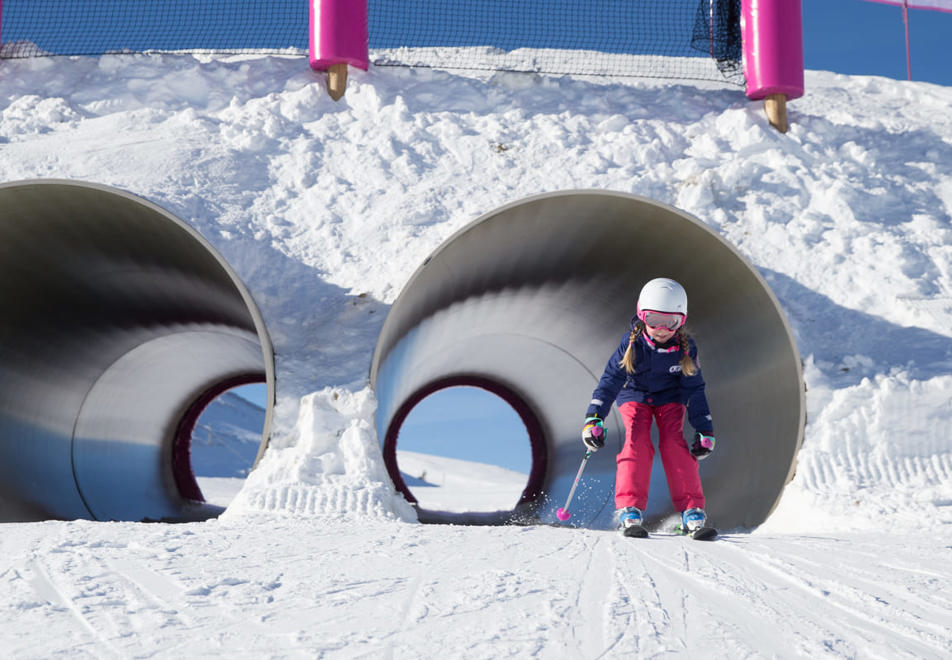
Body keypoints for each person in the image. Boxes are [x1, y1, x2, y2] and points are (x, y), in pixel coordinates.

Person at [581, 277, 716, 536]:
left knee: (673, 443)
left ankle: (692, 510)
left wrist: (704, 430)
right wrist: (594, 417)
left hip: (670, 398)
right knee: (637, 440)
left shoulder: (685, 350)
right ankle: (629, 509)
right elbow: (610, 381)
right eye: (654, 320)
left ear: (682, 320)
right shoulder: (632, 345)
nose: (662, 329)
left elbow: (695, 390)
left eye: (671, 322)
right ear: (642, 315)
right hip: (635, 395)